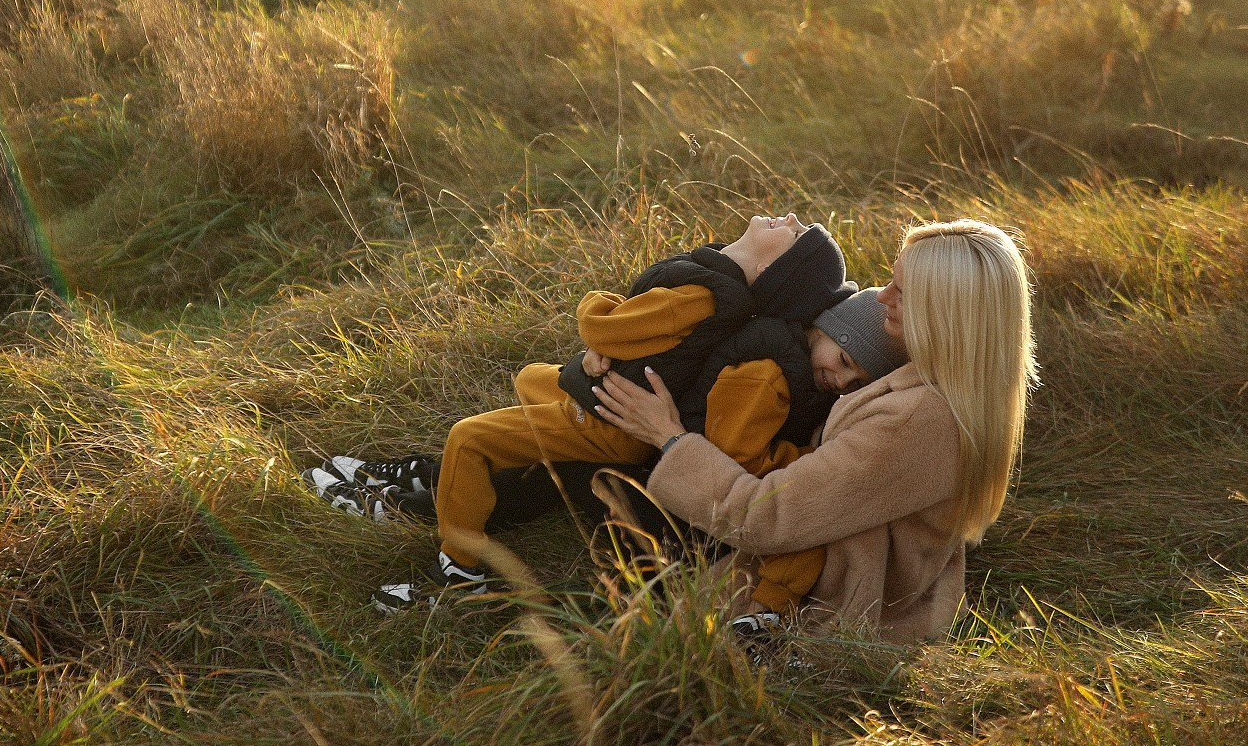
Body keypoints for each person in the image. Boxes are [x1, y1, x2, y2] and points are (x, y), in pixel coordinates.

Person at [310, 213, 898, 613]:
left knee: (486, 440)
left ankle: (456, 565)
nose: (840, 379)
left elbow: (736, 443)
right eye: (843, 360)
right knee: (535, 389)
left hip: (673, 481)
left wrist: (606, 326)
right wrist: (607, 362)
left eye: (853, 375)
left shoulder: (765, 348)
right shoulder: (767, 331)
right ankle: (421, 486)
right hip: (666, 454)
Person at [591, 219, 1034, 645]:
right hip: (827, 552)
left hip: (812, 594)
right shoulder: (947, 380)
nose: (882, 297)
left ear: (947, 314)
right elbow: (816, 327)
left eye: (903, 291)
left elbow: (766, 517)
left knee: (600, 475)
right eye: (891, 279)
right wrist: (618, 345)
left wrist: (669, 436)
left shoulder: (914, 420)